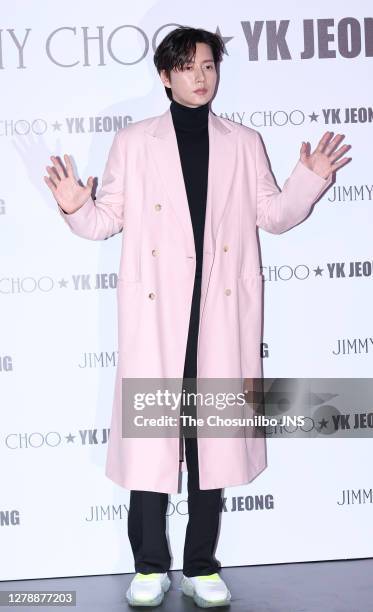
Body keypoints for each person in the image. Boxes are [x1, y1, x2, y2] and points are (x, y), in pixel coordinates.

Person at [44, 26, 351, 609]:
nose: (200, 76)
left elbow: (275, 215)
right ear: (165, 76)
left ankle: (203, 565)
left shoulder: (243, 141)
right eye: (187, 67)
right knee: (152, 443)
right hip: (157, 316)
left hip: (219, 318)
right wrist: (75, 205)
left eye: (208, 65)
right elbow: (105, 220)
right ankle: (149, 566)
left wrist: (310, 178)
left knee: (211, 445)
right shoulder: (134, 142)